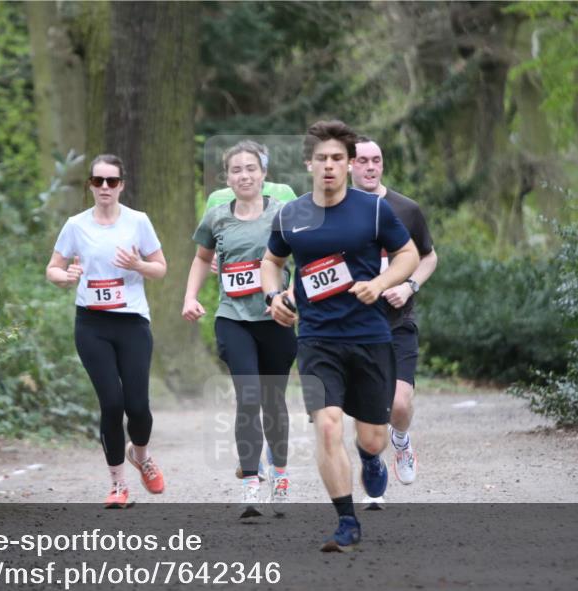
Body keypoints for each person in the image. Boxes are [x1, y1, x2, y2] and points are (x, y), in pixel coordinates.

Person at [261, 120, 419, 551]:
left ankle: (370, 457)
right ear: (309, 164)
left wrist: (383, 283)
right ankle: (346, 520)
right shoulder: (290, 215)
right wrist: (274, 295)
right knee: (328, 427)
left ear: (349, 165)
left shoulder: (371, 210)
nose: (328, 166)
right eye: (321, 159)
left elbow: (409, 254)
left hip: (369, 336)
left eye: (336, 159)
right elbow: (271, 262)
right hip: (316, 340)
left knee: (371, 436)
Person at [46, 154, 168, 509]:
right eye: (98, 181)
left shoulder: (138, 222)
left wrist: (138, 264)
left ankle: (141, 456)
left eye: (111, 182)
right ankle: (118, 485)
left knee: (139, 407)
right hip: (92, 324)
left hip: (132, 322)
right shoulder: (76, 225)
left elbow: (161, 269)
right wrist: (65, 277)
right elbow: (53, 269)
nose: (104, 187)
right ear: (89, 185)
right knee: (111, 405)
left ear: (121, 186)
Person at [184, 141, 297, 519]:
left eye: (251, 168)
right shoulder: (216, 216)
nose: (244, 175)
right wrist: (190, 297)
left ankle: (280, 476)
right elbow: (201, 259)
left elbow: (305, 260)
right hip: (233, 318)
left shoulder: (284, 214)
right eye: (236, 170)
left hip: (277, 320)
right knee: (248, 397)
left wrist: (293, 295)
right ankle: (251, 482)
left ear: (264, 174)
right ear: (227, 177)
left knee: (273, 402)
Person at [352, 136, 438, 490]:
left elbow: (429, 256)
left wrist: (409, 286)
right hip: (356, 326)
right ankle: (371, 463)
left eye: (376, 160)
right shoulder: (337, 212)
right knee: (368, 412)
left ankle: (401, 442)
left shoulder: (406, 209)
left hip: (398, 322)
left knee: (399, 404)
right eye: (363, 161)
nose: (371, 167)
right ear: (349, 166)